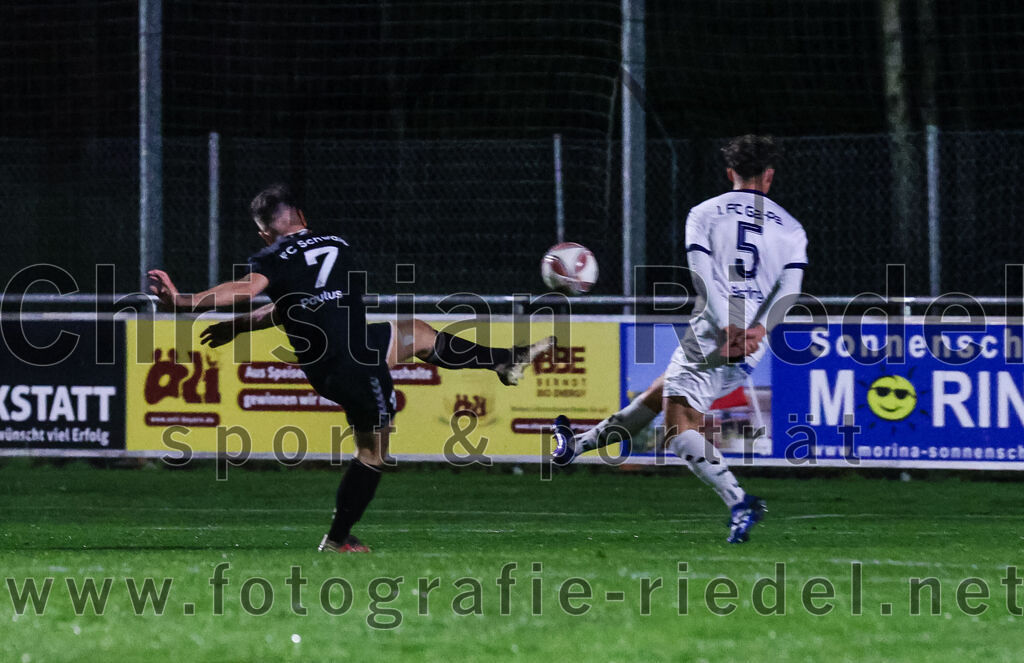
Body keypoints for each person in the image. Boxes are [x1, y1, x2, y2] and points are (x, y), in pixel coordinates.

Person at [148, 183, 554, 553]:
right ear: (303, 217)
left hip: (336, 360)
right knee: (373, 454)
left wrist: (186, 303)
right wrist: (217, 317)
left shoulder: (272, 257)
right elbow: (275, 301)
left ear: (264, 232)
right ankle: (338, 539)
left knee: (417, 334)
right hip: (354, 364)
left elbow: (259, 296)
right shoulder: (339, 244)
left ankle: (504, 360)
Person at [552, 135, 807, 544]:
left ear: (730, 174)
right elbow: (790, 291)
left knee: (676, 427)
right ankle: (573, 447)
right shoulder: (792, 228)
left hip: (715, 331)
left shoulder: (704, 213)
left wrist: (728, 326)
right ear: (770, 176)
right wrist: (759, 330)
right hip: (754, 344)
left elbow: (702, 276)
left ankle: (739, 501)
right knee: (658, 395)